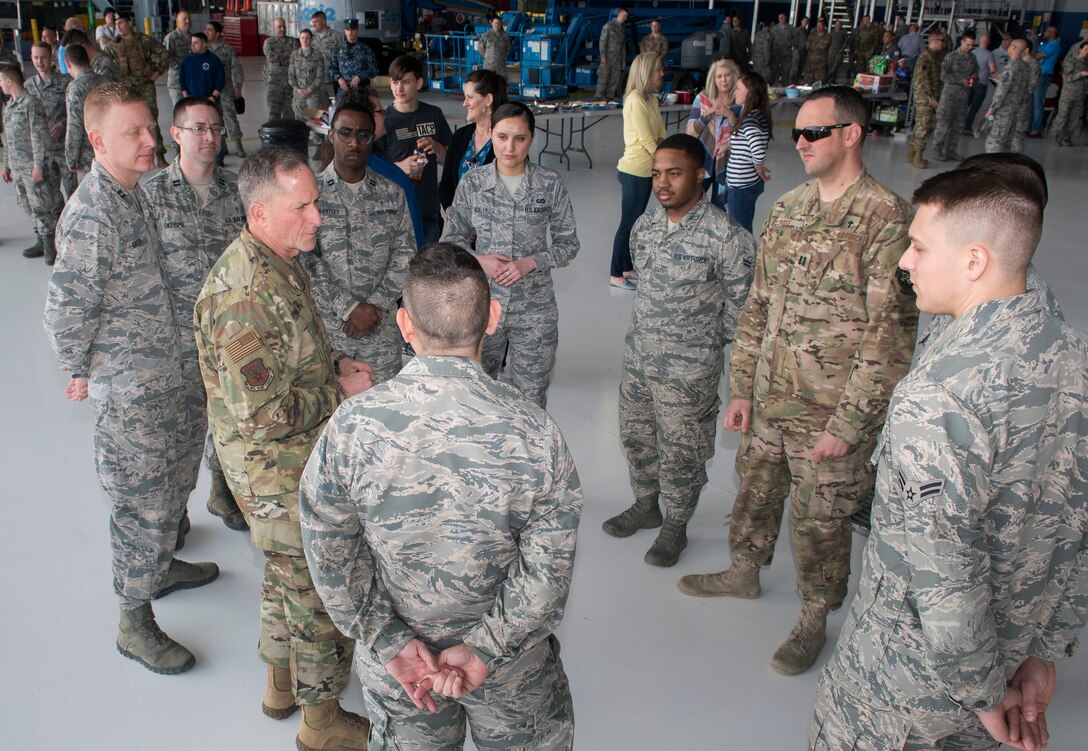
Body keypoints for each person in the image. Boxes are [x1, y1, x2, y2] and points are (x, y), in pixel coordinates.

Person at [810, 157, 1088, 751]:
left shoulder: (938, 399)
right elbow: (1077, 524)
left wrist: (982, 697)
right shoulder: (1070, 353)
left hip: (907, 697)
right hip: (1015, 666)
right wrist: (1044, 651)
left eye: (918, 246)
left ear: (974, 261)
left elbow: (946, 579)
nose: (905, 260)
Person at [300, 242, 583, 750]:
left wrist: (389, 641)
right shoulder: (536, 434)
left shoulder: (352, 426)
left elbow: (329, 552)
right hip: (510, 669)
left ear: (405, 326)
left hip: (403, 671)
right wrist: (482, 650)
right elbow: (547, 574)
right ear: (493, 317)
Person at [677, 87, 919, 677]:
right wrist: (741, 388)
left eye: (815, 133)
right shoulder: (789, 209)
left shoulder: (887, 220)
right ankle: (744, 572)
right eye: (798, 134)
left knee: (821, 517)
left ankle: (815, 612)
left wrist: (851, 425)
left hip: (832, 411)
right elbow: (757, 306)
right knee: (754, 493)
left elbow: (889, 340)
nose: (803, 143)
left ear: (852, 134)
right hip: (769, 397)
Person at [194, 146, 374, 751]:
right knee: (318, 592)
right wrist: (339, 389)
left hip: (284, 464)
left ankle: (278, 686)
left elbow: (289, 355)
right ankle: (321, 725)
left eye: (316, 203)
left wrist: (330, 364)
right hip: (275, 474)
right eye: (303, 206)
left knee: (282, 580)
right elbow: (267, 413)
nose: (317, 217)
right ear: (261, 212)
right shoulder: (242, 294)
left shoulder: (276, 258)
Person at [43, 83, 219, 674]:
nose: (150, 142)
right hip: (135, 388)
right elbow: (65, 309)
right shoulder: (93, 212)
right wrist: (80, 367)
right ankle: (133, 619)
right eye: (135, 134)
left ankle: (162, 564)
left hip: (171, 371)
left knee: (173, 480)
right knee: (139, 501)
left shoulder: (132, 193)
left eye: (151, 128)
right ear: (97, 141)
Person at [605, 133, 756, 567]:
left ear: (700, 175)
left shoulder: (727, 237)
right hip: (639, 360)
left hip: (689, 371)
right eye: (656, 174)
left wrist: (705, 349)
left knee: (683, 449)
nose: (662, 183)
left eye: (674, 173)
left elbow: (743, 310)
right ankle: (647, 504)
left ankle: (677, 524)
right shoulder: (645, 226)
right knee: (636, 437)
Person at [144, 97, 248, 533]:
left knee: (234, 417)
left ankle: (223, 493)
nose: (210, 137)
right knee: (180, 433)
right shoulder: (149, 196)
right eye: (200, 128)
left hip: (232, 330)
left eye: (217, 129)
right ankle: (174, 515)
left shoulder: (238, 190)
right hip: (177, 337)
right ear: (177, 134)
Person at [442, 102, 580, 408]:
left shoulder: (549, 184)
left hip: (535, 310)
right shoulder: (473, 184)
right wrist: (481, 261)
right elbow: (451, 241)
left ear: (532, 138)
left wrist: (531, 262)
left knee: (530, 398)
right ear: (491, 134)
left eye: (519, 138)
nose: (509, 147)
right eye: (502, 137)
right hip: (481, 306)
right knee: (478, 394)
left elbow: (567, 244)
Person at [305, 100, 414, 383]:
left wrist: (374, 306)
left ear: (373, 138)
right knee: (330, 416)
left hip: (380, 333)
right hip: (329, 332)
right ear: (331, 135)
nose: (354, 142)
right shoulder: (311, 194)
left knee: (383, 415)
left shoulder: (392, 194)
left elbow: (406, 255)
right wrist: (349, 308)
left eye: (363, 135)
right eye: (345, 133)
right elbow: (304, 260)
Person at [380, 54, 452, 245]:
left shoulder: (433, 114)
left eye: (406, 82)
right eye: (395, 82)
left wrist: (436, 147)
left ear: (419, 83)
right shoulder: (384, 120)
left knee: (427, 271)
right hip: (394, 211)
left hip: (427, 209)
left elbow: (449, 162)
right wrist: (400, 167)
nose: (399, 88)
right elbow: (371, 169)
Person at [610, 52, 665, 290]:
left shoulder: (652, 100)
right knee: (628, 223)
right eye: (658, 70)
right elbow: (646, 140)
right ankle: (615, 275)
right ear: (646, 73)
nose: (662, 74)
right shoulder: (635, 100)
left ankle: (627, 266)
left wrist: (663, 152)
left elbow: (660, 133)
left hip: (647, 170)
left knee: (636, 223)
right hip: (634, 171)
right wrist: (665, 163)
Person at [0, 64, 63, 262]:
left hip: (33, 167)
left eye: (1, 80)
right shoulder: (9, 106)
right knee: (28, 205)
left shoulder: (30, 104)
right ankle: (41, 239)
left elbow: (39, 136)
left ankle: (52, 246)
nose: (0, 84)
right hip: (18, 168)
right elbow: (8, 139)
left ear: (9, 81)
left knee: (43, 206)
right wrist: (7, 165)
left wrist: (38, 165)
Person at [105, 13, 169, 166]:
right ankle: (133, 155)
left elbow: (164, 53)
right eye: (116, 25)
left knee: (151, 121)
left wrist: (158, 72)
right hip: (125, 89)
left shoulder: (144, 41)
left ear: (129, 23)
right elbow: (104, 64)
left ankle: (159, 155)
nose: (118, 27)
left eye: (121, 23)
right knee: (129, 124)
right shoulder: (113, 46)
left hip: (145, 86)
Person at [439, 68, 507, 211]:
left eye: (470, 97)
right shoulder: (461, 136)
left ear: (488, 99)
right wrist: (450, 210)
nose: (465, 103)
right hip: (460, 228)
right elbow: (446, 184)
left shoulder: (507, 141)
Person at [686, 57, 740, 210]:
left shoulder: (739, 102)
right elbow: (691, 132)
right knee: (692, 205)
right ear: (713, 79)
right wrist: (707, 114)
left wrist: (730, 115)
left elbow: (741, 136)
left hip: (728, 163)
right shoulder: (702, 98)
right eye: (719, 76)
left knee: (720, 210)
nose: (724, 80)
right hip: (702, 160)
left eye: (727, 75)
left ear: (734, 76)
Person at [26, 41, 76, 199]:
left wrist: (63, 124)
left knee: (73, 193)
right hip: (43, 152)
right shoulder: (28, 86)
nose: (39, 62)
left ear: (52, 57)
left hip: (64, 148)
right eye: (36, 58)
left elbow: (76, 112)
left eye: (43, 57)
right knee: (49, 197)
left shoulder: (66, 82)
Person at [725, 72, 773, 234]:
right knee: (742, 224)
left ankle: (744, 258)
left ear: (750, 92)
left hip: (741, 186)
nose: (735, 93)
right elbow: (745, 144)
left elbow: (758, 151)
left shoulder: (751, 120)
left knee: (740, 229)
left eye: (738, 89)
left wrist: (758, 165)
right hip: (743, 183)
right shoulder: (753, 116)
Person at [931, 31, 978, 162]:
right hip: (949, 95)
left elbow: (975, 71)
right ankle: (936, 149)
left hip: (963, 96)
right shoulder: (950, 57)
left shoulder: (972, 58)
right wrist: (960, 80)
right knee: (944, 123)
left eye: (972, 45)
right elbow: (943, 75)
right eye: (968, 44)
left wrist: (974, 77)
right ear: (962, 42)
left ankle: (951, 149)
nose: (970, 47)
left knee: (958, 124)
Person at [62, 43, 104, 184]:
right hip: (110, 148)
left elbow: (74, 125)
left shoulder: (76, 88)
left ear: (67, 63)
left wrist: (71, 157)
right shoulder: (106, 81)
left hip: (88, 156)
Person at [984, 38, 1032, 153]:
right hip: (1016, 110)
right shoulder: (1026, 67)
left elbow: (1002, 91)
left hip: (1004, 110)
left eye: (1010, 46)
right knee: (1007, 143)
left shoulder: (1010, 67)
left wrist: (992, 109)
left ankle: (993, 168)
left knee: (994, 142)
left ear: (1014, 48)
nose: (1008, 48)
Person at [206, 21, 246, 157]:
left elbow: (237, 68)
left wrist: (238, 87)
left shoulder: (227, 49)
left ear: (217, 34)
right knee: (216, 119)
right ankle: (222, 147)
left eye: (210, 30)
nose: (207, 32)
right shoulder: (204, 50)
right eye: (206, 29)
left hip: (226, 89)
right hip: (209, 91)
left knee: (230, 117)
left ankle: (238, 145)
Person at [908, 31, 945, 169]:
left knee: (920, 125)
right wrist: (931, 96)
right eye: (941, 40)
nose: (943, 43)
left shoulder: (933, 57)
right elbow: (923, 78)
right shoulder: (926, 57)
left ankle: (912, 153)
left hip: (927, 96)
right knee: (923, 126)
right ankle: (918, 156)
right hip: (925, 98)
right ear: (934, 41)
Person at [290, 29, 327, 143]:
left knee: (315, 119)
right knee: (300, 120)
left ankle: (318, 145)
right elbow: (291, 75)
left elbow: (320, 76)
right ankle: (302, 143)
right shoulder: (294, 55)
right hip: (299, 95)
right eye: (302, 38)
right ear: (299, 39)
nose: (305, 40)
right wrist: (297, 88)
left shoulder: (317, 55)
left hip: (313, 94)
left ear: (311, 40)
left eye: (307, 38)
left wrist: (310, 89)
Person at [1049, 41, 1088, 146]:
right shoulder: (1072, 61)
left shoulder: (1086, 63)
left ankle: (1066, 137)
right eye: (1085, 50)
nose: (1087, 52)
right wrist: (1080, 74)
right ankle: (1056, 137)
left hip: (1080, 95)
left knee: (1074, 118)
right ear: (1080, 50)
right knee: (1063, 116)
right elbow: (1067, 77)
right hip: (1068, 94)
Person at [329, 18, 378, 98]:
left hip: (361, 91)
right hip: (344, 92)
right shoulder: (338, 50)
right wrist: (339, 78)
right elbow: (332, 68)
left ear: (357, 30)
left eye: (353, 29)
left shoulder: (365, 49)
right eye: (348, 30)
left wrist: (359, 76)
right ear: (345, 31)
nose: (350, 32)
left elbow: (374, 69)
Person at [1027, 25, 1060, 136]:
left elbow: (1037, 55)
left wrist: (1033, 52)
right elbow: (1035, 52)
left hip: (1044, 75)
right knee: (1032, 103)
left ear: (1052, 33)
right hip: (1037, 74)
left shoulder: (1054, 45)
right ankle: (1030, 127)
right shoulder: (1045, 44)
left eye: (1048, 31)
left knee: (1038, 103)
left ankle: (1037, 129)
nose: (1045, 32)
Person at [263, 17, 298, 121]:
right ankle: (275, 135)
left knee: (290, 112)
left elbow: (295, 58)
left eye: (284, 26)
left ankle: (288, 136)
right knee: (274, 112)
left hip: (290, 83)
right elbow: (271, 58)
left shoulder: (292, 41)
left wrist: (280, 62)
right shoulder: (269, 42)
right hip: (274, 83)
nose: (282, 29)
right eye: (279, 26)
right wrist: (288, 55)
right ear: (274, 28)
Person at [178, 32, 224, 103]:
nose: (192, 45)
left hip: (210, 99)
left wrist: (213, 97)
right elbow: (182, 80)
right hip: (191, 99)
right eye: (192, 42)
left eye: (196, 43)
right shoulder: (186, 61)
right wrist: (186, 97)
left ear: (204, 44)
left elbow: (221, 80)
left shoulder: (214, 60)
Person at [965, 33, 996, 133]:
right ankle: (967, 127)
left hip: (970, 81)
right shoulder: (989, 54)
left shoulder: (972, 52)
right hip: (981, 83)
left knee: (965, 104)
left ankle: (957, 124)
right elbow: (993, 70)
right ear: (988, 42)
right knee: (974, 106)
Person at [309, 10, 343, 99]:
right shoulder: (312, 38)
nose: (313, 24)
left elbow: (342, 58)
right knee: (318, 110)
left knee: (333, 107)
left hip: (332, 81)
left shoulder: (336, 36)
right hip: (316, 81)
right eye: (313, 22)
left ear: (323, 21)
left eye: (316, 22)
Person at [596, 7, 628, 100]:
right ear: (619, 14)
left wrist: (623, 61)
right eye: (624, 15)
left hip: (617, 59)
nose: (625, 18)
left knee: (614, 79)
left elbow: (623, 46)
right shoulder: (609, 26)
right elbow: (603, 41)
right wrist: (603, 55)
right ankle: (599, 96)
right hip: (608, 57)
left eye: (626, 16)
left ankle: (610, 97)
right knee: (603, 77)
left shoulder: (621, 29)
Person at [163, 10, 191, 108]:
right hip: (177, 82)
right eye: (184, 19)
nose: (188, 21)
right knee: (179, 110)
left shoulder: (193, 38)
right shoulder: (171, 38)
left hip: (191, 81)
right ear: (178, 22)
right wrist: (181, 66)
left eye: (189, 19)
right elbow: (166, 57)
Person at [803, 18, 831, 83]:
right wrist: (818, 45)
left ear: (824, 26)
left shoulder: (827, 36)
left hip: (821, 63)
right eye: (817, 25)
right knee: (807, 81)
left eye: (820, 25)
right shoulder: (811, 35)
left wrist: (814, 45)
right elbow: (807, 46)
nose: (819, 27)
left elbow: (824, 46)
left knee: (820, 82)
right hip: (810, 62)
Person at [769, 13, 793, 85]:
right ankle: (771, 87)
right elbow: (769, 40)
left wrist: (791, 43)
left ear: (786, 17)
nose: (781, 19)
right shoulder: (774, 28)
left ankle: (784, 87)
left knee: (785, 72)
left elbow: (796, 39)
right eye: (779, 18)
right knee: (774, 71)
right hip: (775, 54)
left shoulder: (791, 28)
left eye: (782, 17)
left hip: (786, 54)